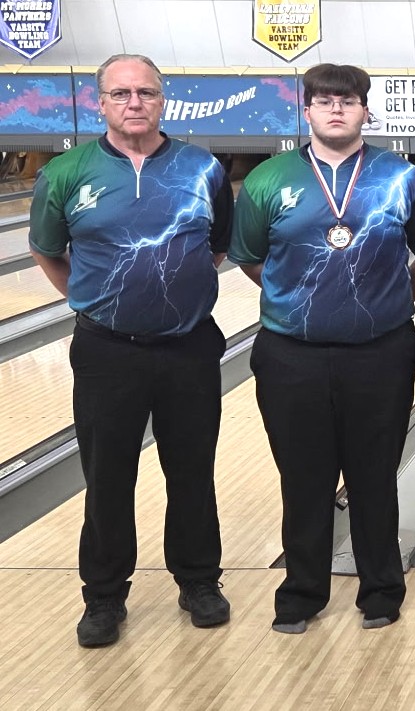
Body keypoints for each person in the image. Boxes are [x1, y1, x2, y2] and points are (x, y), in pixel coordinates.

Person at [29, 53, 233, 649]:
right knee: (107, 475)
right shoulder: (66, 172)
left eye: (145, 92)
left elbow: (217, 246)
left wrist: (172, 296)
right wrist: (93, 301)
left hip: (188, 346)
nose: (134, 103)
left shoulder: (203, 168)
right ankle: (103, 596)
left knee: (191, 470)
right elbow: (45, 249)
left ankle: (198, 581)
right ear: (100, 103)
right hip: (106, 351)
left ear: (163, 100)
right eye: (121, 94)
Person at [230, 63, 415, 634]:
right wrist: (296, 300)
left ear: (365, 111)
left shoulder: (404, 179)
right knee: (303, 477)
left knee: (375, 476)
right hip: (290, 354)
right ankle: (302, 592)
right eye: (324, 101)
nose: (336, 110)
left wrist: (387, 302)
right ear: (307, 110)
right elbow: (250, 258)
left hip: (380, 351)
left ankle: (381, 590)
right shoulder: (267, 179)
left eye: (347, 101)